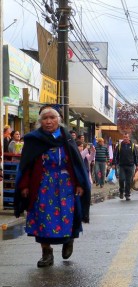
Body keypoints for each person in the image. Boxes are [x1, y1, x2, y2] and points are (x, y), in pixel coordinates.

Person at [13, 105, 91, 268]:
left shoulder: (67, 138)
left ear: (59, 120)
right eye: (45, 118)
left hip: (66, 184)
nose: (48, 121)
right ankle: (46, 253)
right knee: (42, 218)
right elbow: (27, 164)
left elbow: (76, 164)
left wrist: (80, 183)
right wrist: (25, 185)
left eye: (52, 118)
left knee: (67, 215)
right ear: (40, 121)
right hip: (42, 184)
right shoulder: (33, 139)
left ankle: (68, 240)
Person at [113, 133, 138, 201]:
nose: (125, 138)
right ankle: (121, 191)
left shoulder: (133, 146)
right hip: (121, 166)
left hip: (130, 166)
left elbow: (136, 156)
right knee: (121, 179)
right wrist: (114, 164)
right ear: (123, 138)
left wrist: (137, 165)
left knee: (128, 181)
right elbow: (115, 155)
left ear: (129, 138)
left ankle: (127, 194)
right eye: (124, 137)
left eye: (127, 137)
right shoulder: (119, 146)